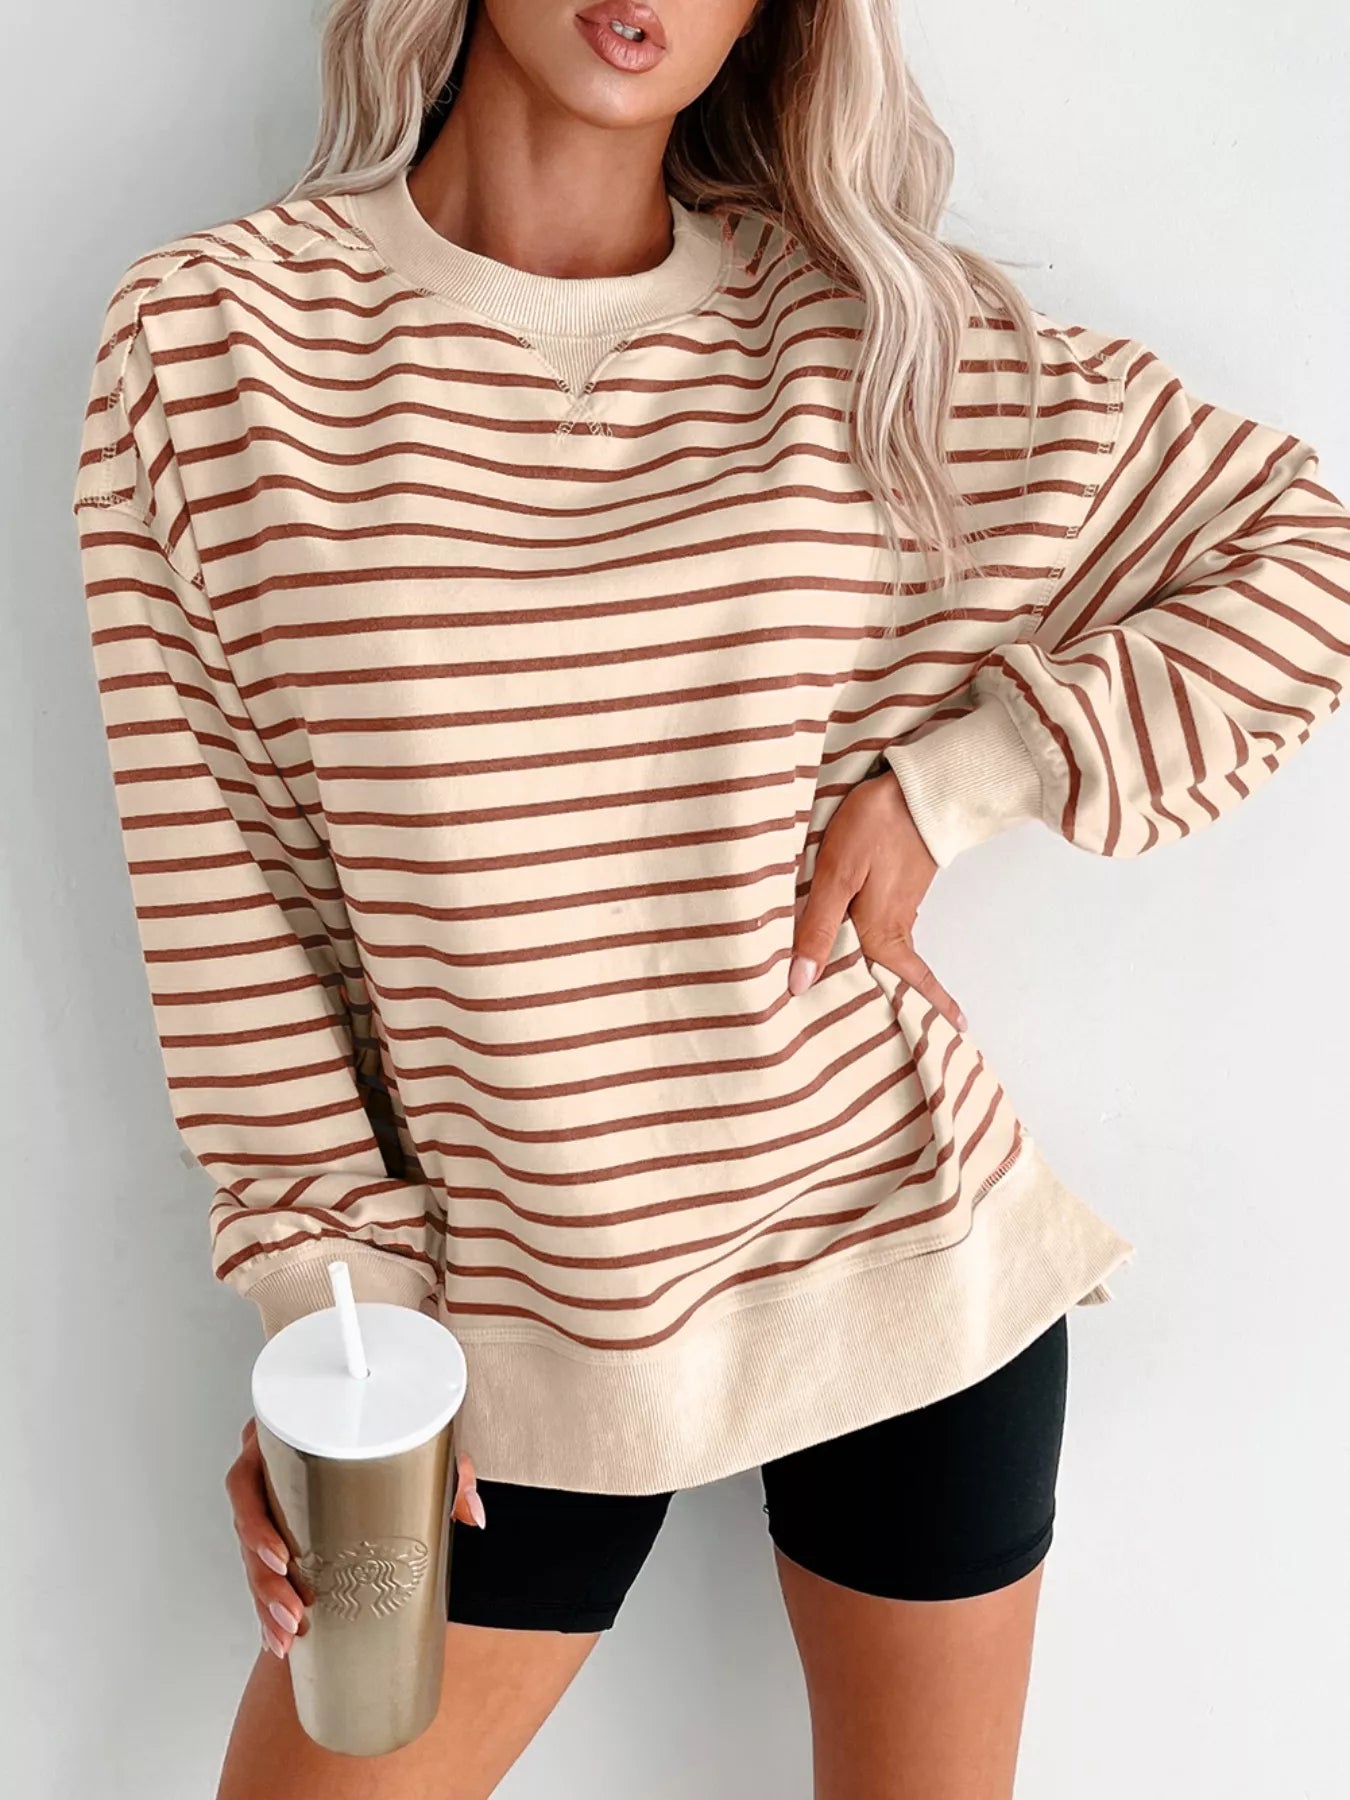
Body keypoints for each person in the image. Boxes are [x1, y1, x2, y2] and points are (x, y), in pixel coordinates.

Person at [71, 1, 1350, 1795]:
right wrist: (336, 1341)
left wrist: (952, 785)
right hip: (503, 1345)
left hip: (892, 1262)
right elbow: (227, 893)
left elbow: (1299, 554)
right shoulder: (218, 343)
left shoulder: (857, 336)